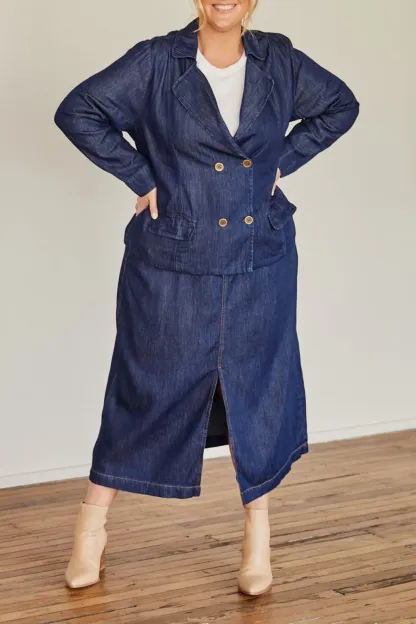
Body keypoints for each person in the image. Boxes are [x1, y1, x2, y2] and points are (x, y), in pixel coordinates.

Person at [54, 0, 359, 596]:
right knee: (143, 387)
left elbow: (340, 105)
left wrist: (282, 161)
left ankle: (257, 537)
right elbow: (78, 111)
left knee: (257, 390)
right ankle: (90, 530)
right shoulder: (156, 61)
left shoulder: (279, 61)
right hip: (172, 257)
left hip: (259, 259)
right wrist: (140, 176)